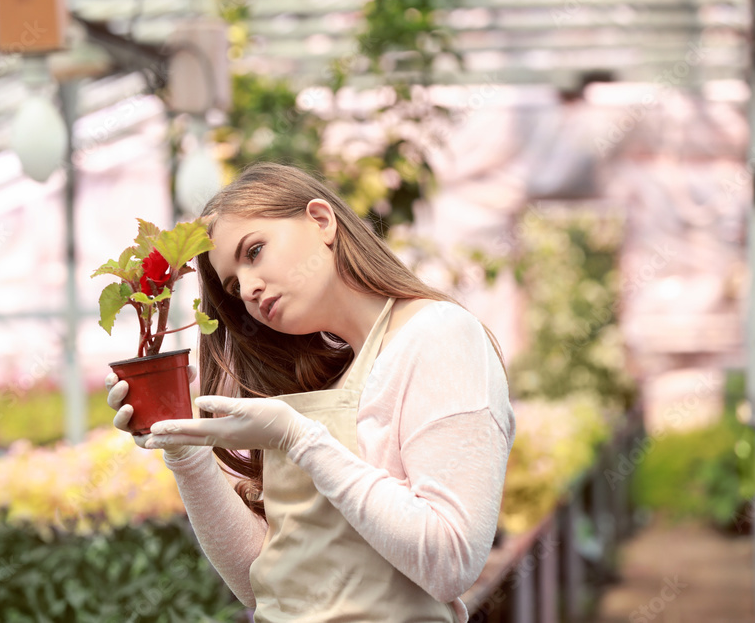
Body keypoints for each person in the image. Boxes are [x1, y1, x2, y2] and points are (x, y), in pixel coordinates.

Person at [105, 162, 516, 622]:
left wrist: (301, 440)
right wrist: (187, 455)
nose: (250, 288)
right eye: (233, 285)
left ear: (321, 221)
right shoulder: (329, 381)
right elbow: (265, 583)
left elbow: (450, 563)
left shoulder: (439, 336)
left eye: (255, 251)